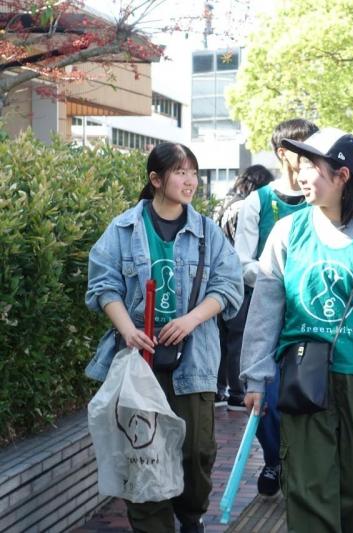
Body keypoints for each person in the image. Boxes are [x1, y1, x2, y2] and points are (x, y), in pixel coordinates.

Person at [240, 128, 353, 532]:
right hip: (302, 378)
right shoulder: (287, 232)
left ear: (343, 175)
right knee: (306, 484)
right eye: (299, 167)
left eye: (311, 167)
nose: (301, 176)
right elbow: (265, 312)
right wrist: (256, 377)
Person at [85, 143, 244, 533]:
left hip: (194, 361)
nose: (190, 180)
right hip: (139, 363)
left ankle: (191, 516)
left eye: (193, 172)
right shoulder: (122, 229)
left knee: (197, 451)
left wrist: (190, 320)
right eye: (180, 172)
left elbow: (229, 286)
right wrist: (128, 330)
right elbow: (103, 285)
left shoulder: (207, 231)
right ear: (156, 179)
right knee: (143, 453)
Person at [233, 118, 318, 497]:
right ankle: (274, 458)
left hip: (314, 312)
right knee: (266, 391)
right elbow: (242, 260)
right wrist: (275, 277)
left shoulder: (326, 194)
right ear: (284, 153)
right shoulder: (259, 201)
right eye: (305, 148)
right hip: (270, 309)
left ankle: (302, 465)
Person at [215, 164, 275, 406]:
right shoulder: (247, 206)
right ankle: (238, 392)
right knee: (238, 340)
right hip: (240, 282)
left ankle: (219, 389)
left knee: (222, 338)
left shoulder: (223, 204)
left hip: (217, 279)